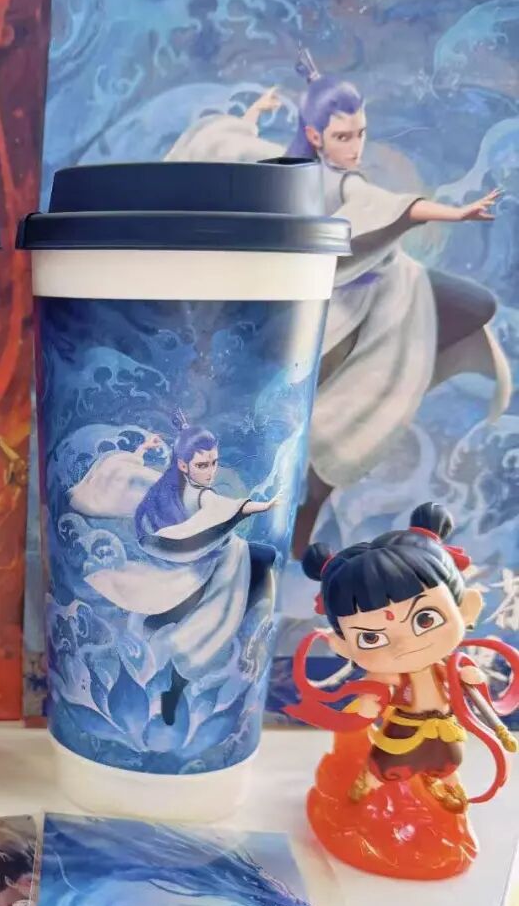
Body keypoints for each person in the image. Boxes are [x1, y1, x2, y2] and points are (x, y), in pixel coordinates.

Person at [165, 52, 509, 556]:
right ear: (314, 135)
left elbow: (397, 207)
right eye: (344, 136)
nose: (356, 146)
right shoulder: (292, 169)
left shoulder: (345, 180)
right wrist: (252, 115)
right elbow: (226, 144)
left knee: (471, 308)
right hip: (313, 309)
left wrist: (455, 214)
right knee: (272, 414)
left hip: (373, 298)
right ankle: (271, 509)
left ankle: (303, 498)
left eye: (361, 133)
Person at [288, 502, 518, 813]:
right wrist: (367, 705)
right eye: (371, 637)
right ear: (343, 646)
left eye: (425, 619)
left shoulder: (450, 667)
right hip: (403, 731)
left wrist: (471, 680)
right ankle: (365, 789)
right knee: (386, 765)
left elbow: (470, 689)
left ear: (465, 610)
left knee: (449, 761)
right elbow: (374, 696)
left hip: (444, 729)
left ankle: (448, 791)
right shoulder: (389, 676)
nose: (403, 643)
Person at [69, 421, 276, 723]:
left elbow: (221, 509)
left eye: (214, 463)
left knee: (261, 561)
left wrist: (255, 507)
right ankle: (171, 666)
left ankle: (177, 673)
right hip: (191, 568)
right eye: (203, 465)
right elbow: (127, 478)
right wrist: (255, 507)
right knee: (204, 618)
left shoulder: (192, 491)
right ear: (183, 464)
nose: (211, 471)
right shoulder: (171, 490)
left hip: (213, 559)